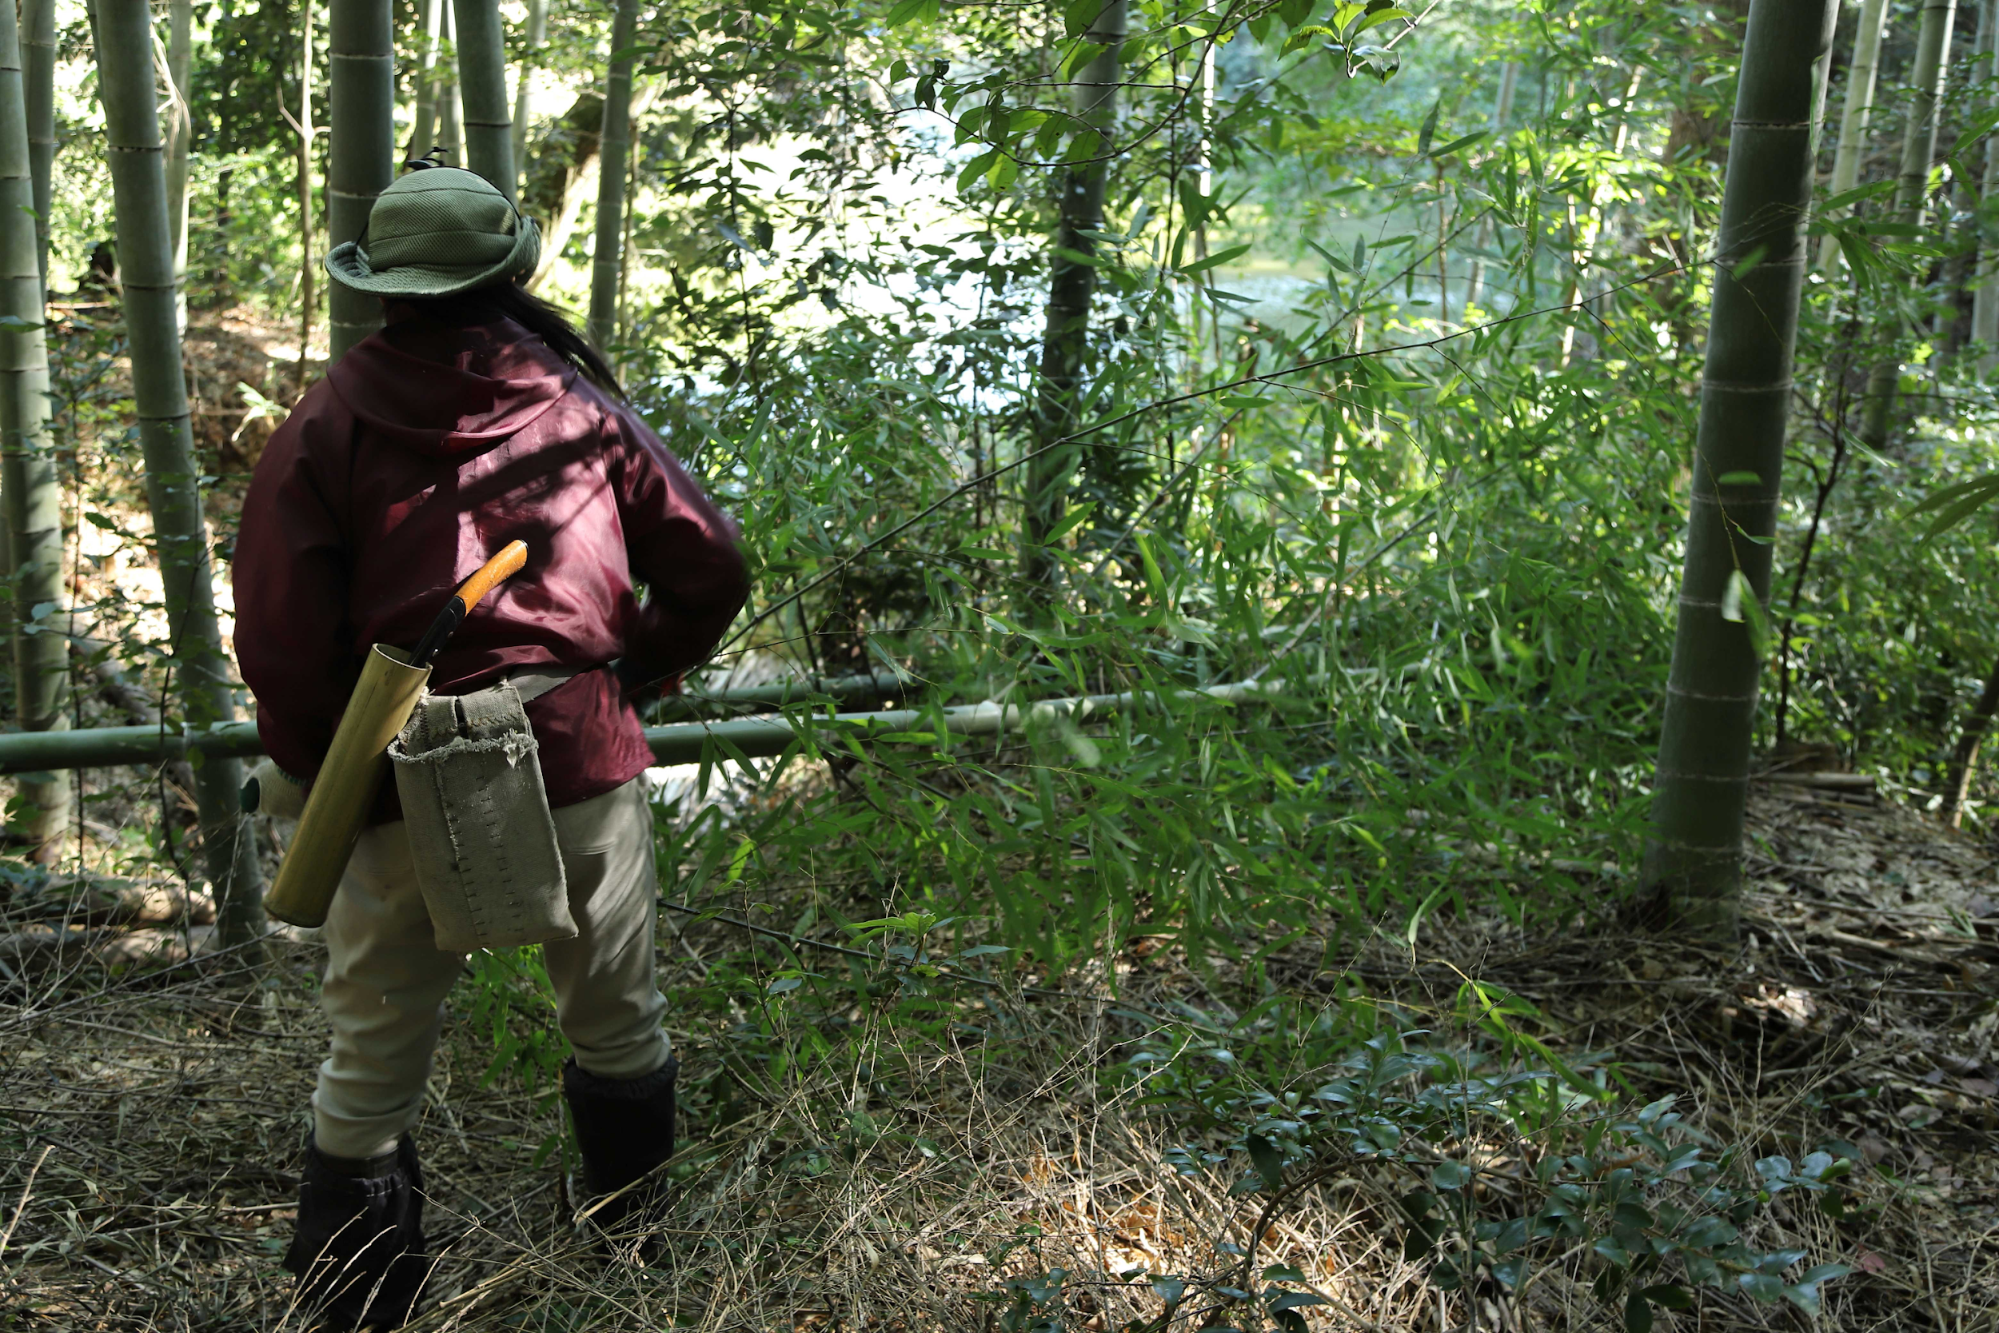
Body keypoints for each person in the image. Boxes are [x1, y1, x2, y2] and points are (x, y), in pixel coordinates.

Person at [234, 163, 749, 1331]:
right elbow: (711, 565)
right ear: (509, 271)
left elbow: (278, 634)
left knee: (370, 1051)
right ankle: (629, 1276)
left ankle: (360, 1310)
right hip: (571, 749)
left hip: (388, 769)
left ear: (380, 288)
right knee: (619, 1020)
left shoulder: (323, 423)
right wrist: (621, 683)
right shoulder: (580, 409)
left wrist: (330, 768)